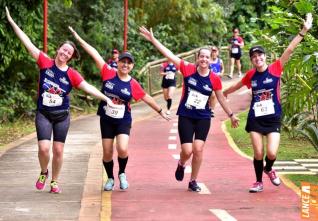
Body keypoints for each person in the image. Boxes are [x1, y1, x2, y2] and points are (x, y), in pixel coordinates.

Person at [6, 7, 116, 194]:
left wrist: (107, 98)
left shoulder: (71, 75)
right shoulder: (45, 63)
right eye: (63, 50)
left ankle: (54, 181)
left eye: (69, 53)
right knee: (43, 149)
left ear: (71, 57)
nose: (65, 54)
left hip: (62, 116)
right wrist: (11, 21)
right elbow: (28, 43)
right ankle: (43, 172)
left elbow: (88, 87)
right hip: (43, 113)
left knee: (57, 150)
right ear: (58, 50)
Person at [69, 26, 170, 191]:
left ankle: (122, 173)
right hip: (107, 118)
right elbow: (93, 52)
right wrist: (78, 39)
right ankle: (110, 178)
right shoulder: (108, 72)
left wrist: (160, 111)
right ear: (118, 62)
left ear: (132, 66)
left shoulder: (132, 83)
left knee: (122, 148)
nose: (125, 65)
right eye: (123, 62)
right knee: (107, 152)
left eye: (129, 63)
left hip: (123, 118)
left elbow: (146, 97)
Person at [139, 26, 239, 192]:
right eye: (202, 56)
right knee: (187, 150)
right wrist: (153, 40)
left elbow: (220, 97)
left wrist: (231, 114)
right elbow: (169, 54)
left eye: (207, 57)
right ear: (198, 58)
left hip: (203, 117)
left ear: (210, 59)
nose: (204, 59)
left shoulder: (214, 79)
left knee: (198, 149)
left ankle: (193, 181)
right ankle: (181, 163)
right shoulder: (188, 69)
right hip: (186, 115)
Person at [223, 14, 313, 193]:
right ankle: (258, 181)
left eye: (260, 55)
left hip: (272, 118)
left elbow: (289, 49)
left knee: (271, 153)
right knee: (258, 153)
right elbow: (237, 85)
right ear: (252, 60)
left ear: (265, 57)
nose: (258, 58)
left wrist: (304, 31)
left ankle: (269, 168)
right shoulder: (251, 75)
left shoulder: (275, 68)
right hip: (256, 118)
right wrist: (225, 92)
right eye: (254, 56)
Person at [209, 46, 224, 117]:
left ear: (217, 52)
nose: (214, 53)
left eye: (215, 51)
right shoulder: (208, 60)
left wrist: (221, 73)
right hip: (209, 80)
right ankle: (210, 108)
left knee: (214, 95)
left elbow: (222, 69)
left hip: (217, 80)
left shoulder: (220, 61)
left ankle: (212, 110)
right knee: (211, 95)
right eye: (213, 51)